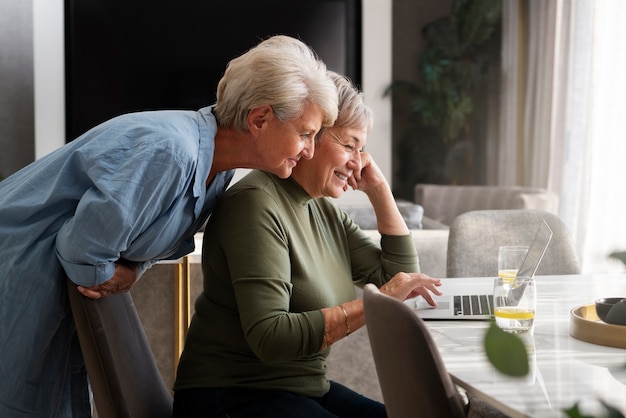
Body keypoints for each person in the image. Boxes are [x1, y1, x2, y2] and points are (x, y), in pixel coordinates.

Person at [0, 35, 339, 417]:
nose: (309, 150)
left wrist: (132, 270)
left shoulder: (215, 173)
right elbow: (83, 250)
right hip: (16, 265)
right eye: (305, 134)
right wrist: (116, 273)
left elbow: (137, 237)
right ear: (259, 119)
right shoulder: (172, 153)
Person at [172, 71, 443, 418]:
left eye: (362, 150)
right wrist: (380, 301)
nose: (357, 162)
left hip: (302, 390)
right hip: (231, 396)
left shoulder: (320, 209)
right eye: (348, 145)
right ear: (311, 136)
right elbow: (271, 336)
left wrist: (379, 191)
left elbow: (403, 279)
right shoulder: (254, 203)